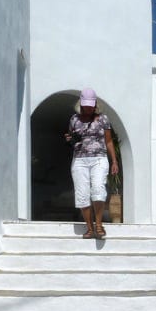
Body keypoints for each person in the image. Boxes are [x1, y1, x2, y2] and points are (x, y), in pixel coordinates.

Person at [65, 88, 119, 239]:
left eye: (91, 105)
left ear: (95, 104)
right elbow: (72, 138)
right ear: (81, 104)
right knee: (82, 194)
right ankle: (89, 228)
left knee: (98, 189)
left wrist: (114, 161)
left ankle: (99, 225)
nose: (88, 108)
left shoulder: (103, 119)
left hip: (99, 159)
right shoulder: (74, 119)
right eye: (86, 105)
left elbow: (109, 141)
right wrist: (69, 139)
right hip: (79, 160)